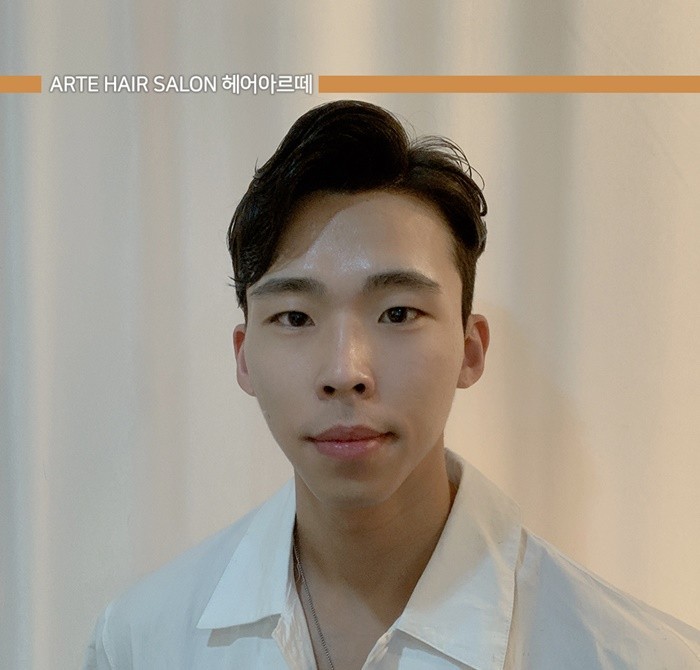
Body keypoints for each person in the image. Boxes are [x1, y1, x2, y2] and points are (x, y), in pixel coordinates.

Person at [83, 100, 700, 669]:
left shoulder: (631, 656)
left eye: (398, 313)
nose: (345, 372)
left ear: (471, 349)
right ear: (244, 358)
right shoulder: (143, 641)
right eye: (294, 317)